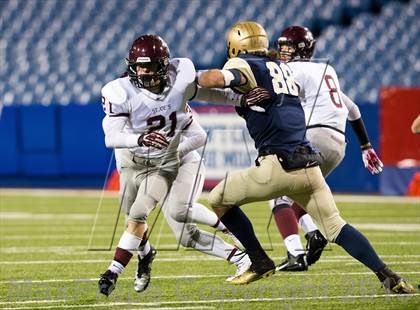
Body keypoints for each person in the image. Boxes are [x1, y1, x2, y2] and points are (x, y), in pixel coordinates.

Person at [197, 21, 415, 294]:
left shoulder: (246, 66)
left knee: (218, 199)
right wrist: (365, 145)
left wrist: (187, 77)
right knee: (336, 226)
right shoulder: (290, 73)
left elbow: (215, 81)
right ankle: (388, 276)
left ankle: (259, 260)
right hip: (310, 161)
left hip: (279, 162)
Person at [98, 34, 257, 296]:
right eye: (140, 66)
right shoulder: (119, 92)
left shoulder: (179, 83)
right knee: (164, 229)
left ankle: (235, 237)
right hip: (134, 159)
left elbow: (206, 94)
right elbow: (112, 137)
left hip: (175, 159)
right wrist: (140, 139)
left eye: (151, 67)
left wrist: (240, 100)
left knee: (175, 211)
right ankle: (146, 256)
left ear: (165, 66)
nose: (145, 72)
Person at [270, 25, 384, 272]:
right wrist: (366, 146)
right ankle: (314, 235)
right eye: (282, 47)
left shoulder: (291, 69)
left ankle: (296, 253)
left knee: (276, 193)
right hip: (338, 146)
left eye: (288, 47)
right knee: (303, 195)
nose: (283, 52)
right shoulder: (325, 69)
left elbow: (278, 101)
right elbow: (353, 109)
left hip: (314, 137)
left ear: (302, 49)